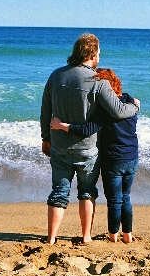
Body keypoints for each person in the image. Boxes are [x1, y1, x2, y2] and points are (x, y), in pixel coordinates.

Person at [40, 34, 139, 244]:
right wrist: (136, 105)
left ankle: (51, 238)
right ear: (92, 53)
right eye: (99, 52)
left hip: (59, 145)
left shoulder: (55, 76)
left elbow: (45, 111)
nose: (99, 56)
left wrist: (46, 138)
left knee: (58, 191)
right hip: (88, 148)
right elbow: (119, 111)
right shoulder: (99, 82)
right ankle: (86, 236)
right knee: (86, 191)